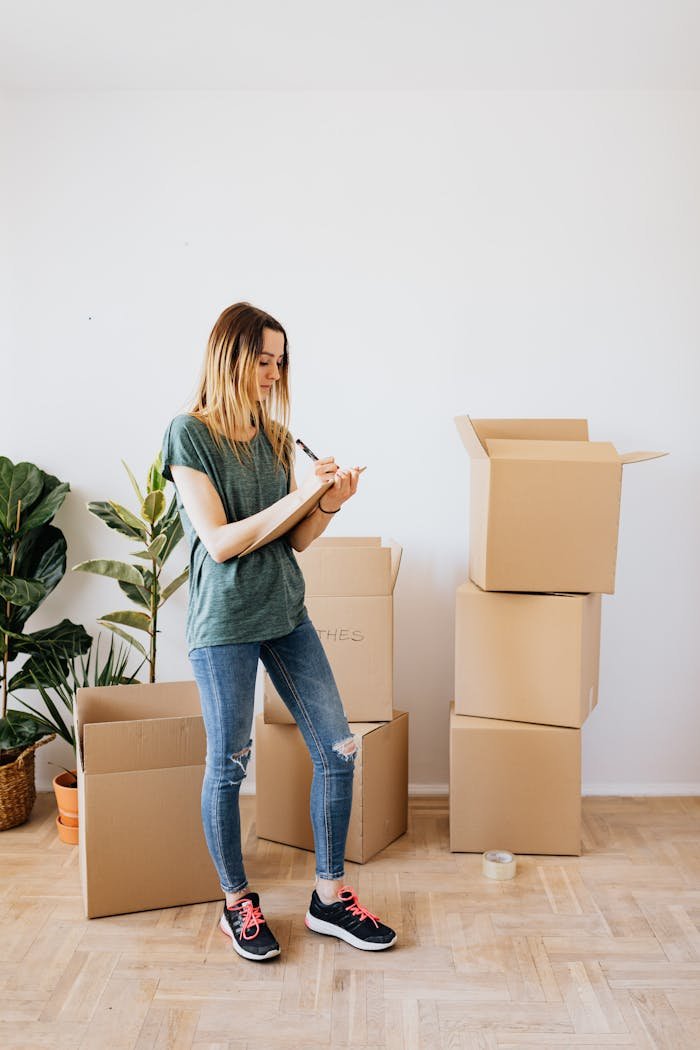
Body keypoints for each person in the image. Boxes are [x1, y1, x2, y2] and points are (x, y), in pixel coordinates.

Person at [160, 302, 397, 961]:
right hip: (225, 626)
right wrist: (302, 495)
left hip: (285, 614)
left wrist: (326, 504)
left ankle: (328, 898)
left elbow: (291, 540)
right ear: (230, 358)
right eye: (262, 360)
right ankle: (237, 904)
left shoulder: (273, 434)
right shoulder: (188, 433)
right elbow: (221, 542)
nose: (272, 373)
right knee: (230, 765)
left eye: (280, 362)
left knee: (340, 749)